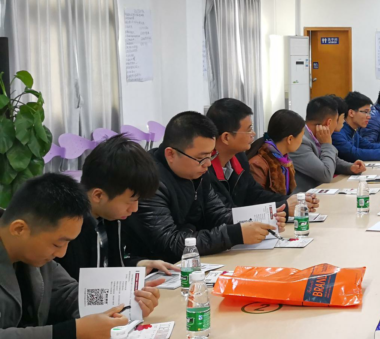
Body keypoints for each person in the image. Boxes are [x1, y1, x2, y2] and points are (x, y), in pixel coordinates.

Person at [1, 174, 161, 339]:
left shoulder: (36, 257)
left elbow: (70, 294)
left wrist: (129, 303)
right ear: (19, 229)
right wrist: (72, 332)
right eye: (57, 244)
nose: (61, 253)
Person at [124, 111, 273, 263]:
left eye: (211, 155)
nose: (208, 164)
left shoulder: (197, 172)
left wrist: (262, 220)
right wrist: (234, 234)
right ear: (171, 154)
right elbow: (169, 244)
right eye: (201, 158)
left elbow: (217, 213)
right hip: (159, 267)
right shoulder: (149, 181)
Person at [56, 135, 176, 281]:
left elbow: (110, 264)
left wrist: (139, 264)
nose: (134, 209)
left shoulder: (111, 217)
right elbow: (74, 283)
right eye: (130, 201)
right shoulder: (68, 230)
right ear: (98, 195)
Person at [205, 99, 317, 219]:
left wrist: (293, 200)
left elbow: (255, 195)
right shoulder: (204, 169)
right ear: (226, 137)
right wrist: (284, 207)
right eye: (248, 129)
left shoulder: (239, 158)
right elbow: (224, 215)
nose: (253, 133)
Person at [289, 95, 365, 191]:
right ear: (329, 122)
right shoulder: (300, 141)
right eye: (336, 120)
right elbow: (326, 175)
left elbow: (331, 160)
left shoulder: (315, 135)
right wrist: (327, 145)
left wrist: (350, 167)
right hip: (302, 196)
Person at [247, 109, 306, 195]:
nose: (301, 141)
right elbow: (257, 199)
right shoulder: (257, 165)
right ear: (290, 139)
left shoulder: (284, 160)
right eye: (301, 136)